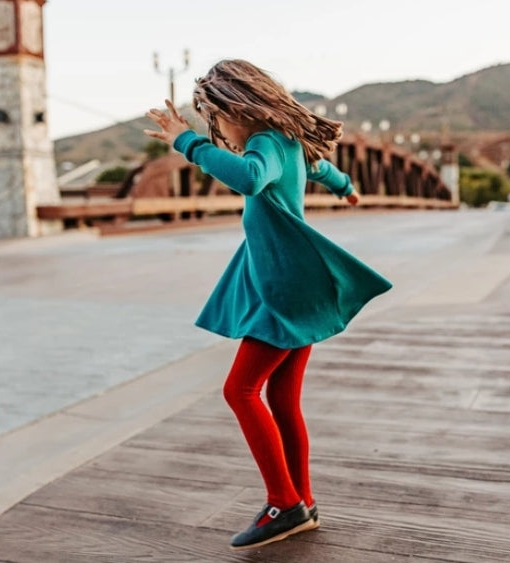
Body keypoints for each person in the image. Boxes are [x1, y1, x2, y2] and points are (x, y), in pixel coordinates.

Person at [144, 59, 392, 551]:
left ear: (235, 107)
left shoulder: (265, 145)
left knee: (240, 390)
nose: (220, 133)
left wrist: (186, 140)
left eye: (216, 120)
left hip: (281, 286)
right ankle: (302, 501)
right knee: (281, 399)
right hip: (291, 283)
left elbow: (251, 178)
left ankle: (284, 502)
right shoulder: (291, 143)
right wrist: (347, 188)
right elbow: (322, 168)